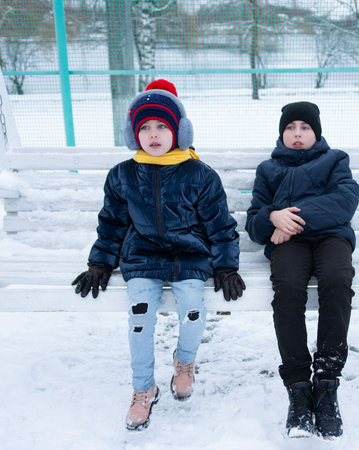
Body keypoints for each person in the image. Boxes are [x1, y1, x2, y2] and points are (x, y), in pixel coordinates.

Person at [72, 79, 246, 431]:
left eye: (162, 126)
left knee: (194, 312)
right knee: (140, 320)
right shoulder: (123, 175)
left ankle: (184, 363)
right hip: (143, 258)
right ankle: (143, 389)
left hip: (189, 257)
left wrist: (226, 266)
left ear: (178, 131)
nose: (153, 134)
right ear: (133, 133)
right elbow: (112, 223)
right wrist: (100, 261)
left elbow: (220, 225)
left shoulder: (200, 174)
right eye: (145, 127)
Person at [245, 101, 359, 439]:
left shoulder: (335, 160)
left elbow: (344, 202)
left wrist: (288, 219)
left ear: (316, 132)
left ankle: (326, 383)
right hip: (289, 247)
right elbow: (253, 223)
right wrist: (270, 218)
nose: (297, 134)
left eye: (305, 128)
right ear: (282, 133)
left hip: (331, 239)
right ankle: (297, 388)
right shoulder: (269, 169)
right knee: (289, 290)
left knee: (337, 281)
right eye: (290, 128)